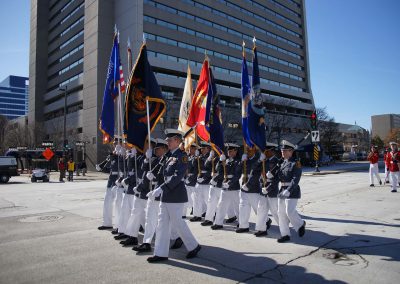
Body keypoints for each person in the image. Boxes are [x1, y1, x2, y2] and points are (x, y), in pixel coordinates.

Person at [146, 129, 201, 263]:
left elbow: (177, 176)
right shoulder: (168, 156)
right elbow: (162, 172)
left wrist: (160, 188)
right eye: (167, 140)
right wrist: (152, 174)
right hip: (165, 194)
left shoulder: (182, 156)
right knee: (162, 224)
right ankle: (160, 253)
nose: (168, 143)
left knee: (178, 223)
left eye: (170, 140)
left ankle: (193, 246)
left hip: (175, 194)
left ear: (177, 140)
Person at [133, 139, 169, 253]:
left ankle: (176, 238)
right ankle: (146, 243)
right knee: (150, 218)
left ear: (165, 149)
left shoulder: (168, 160)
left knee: (167, 221)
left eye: (159, 149)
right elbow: (144, 171)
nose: (156, 151)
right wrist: (147, 159)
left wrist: (155, 177)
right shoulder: (156, 160)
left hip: (162, 194)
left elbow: (167, 178)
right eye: (156, 149)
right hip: (152, 193)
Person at [121, 139, 157, 246]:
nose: (144, 146)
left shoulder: (155, 159)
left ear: (152, 147)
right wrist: (131, 155)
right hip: (140, 191)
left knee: (151, 218)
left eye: (147, 145)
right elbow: (134, 169)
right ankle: (132, 236)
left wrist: (140, 187)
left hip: (149, 191)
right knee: (135, 213)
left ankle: (172, 236)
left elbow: (148, 177)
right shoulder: (142, 158)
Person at [275, 140, 306, 243]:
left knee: (290, 211)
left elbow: (296, 179)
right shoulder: (282, 163)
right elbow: (279, 177)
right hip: (282, 190)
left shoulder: (295, 163)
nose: (282, 152)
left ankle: (300, 224)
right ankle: (285, 234)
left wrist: (288, 190)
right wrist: (270, 175)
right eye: (282, 150)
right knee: (281, 214)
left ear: (291, 151)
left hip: (292, 191)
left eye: (285, 151)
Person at [211, 143, 241, 230]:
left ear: (235, 151)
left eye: (231, 151)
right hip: (225, 186)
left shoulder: (238, 161)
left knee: (237, 206)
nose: (229, 152)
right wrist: (220, 161)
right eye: (228, 151)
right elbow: (219, 171)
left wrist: (230, 183)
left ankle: (242, 222)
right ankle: (218, 223)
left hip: (233, 187)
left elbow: (237, 175)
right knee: (221, 205)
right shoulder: (226, 160)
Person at [236, 145, 263, 233]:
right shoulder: (245, 159)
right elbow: (238, 172)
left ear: (255, 149)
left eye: (249, 148)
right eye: (247, 149)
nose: (247, 150)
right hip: (244, 187)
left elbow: (256, 175)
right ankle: (243, 226)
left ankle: (265, 222)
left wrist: (248, 185)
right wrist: (241, 162)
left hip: (253, 188)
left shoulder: (258, 159)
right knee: (243, 207)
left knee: (257, 209)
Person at [255, 142, 279, 237]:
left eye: (265, 151)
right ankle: (261, 229)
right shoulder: (263, 160)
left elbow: (277, 180)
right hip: (262, 189)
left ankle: (284, 228)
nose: (263, 152)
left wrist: (268, 188)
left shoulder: (277, 161)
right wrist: (259, 162)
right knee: (261, 210)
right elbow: (255, 170)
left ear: (271, 151)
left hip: (272, 191)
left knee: (275, 212)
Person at [190, 141, 213, 222]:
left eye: (203, 148)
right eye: (201, 148)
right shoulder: (199, 157)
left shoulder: (211, 157)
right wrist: (195, 157)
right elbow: (194, 167)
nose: (202, 150)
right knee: (197, 199)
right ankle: (197, 215)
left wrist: (205, 178)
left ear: (208, 149)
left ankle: (212, 214)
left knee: (208, 200)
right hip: (199, 181)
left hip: (206, 182)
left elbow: (211, 170)